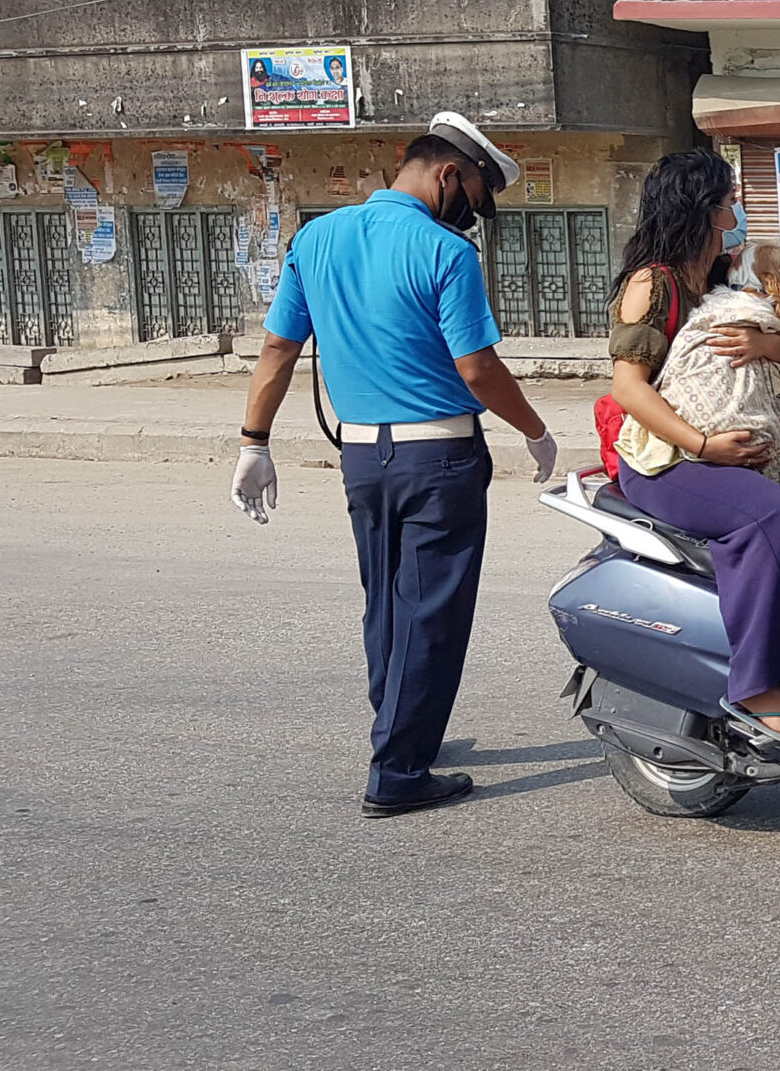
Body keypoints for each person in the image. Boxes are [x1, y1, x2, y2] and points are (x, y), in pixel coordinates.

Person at [228, 112, 558, 819]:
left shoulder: (316, 237)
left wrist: (254, 441)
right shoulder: (445, 253)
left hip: (362, 459)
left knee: (386, 601)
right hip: (439, 454)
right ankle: (399, 770)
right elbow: (477, 367)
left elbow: (278, 352)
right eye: (472, 194)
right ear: (448, 174)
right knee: (431, 612)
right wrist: (533, 429)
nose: (472, 213)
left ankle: (401, 730)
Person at [603, 149, 780, 743]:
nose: (739, 207)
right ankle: (754, 685)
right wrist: (704, 446)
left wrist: (764, 346)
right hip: (665, 459)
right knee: (772, 515)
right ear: (703, 208)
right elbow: (628, 387)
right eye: (730, 198)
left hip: (728, 442)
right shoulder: (653, 285)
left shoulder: (722, 276)